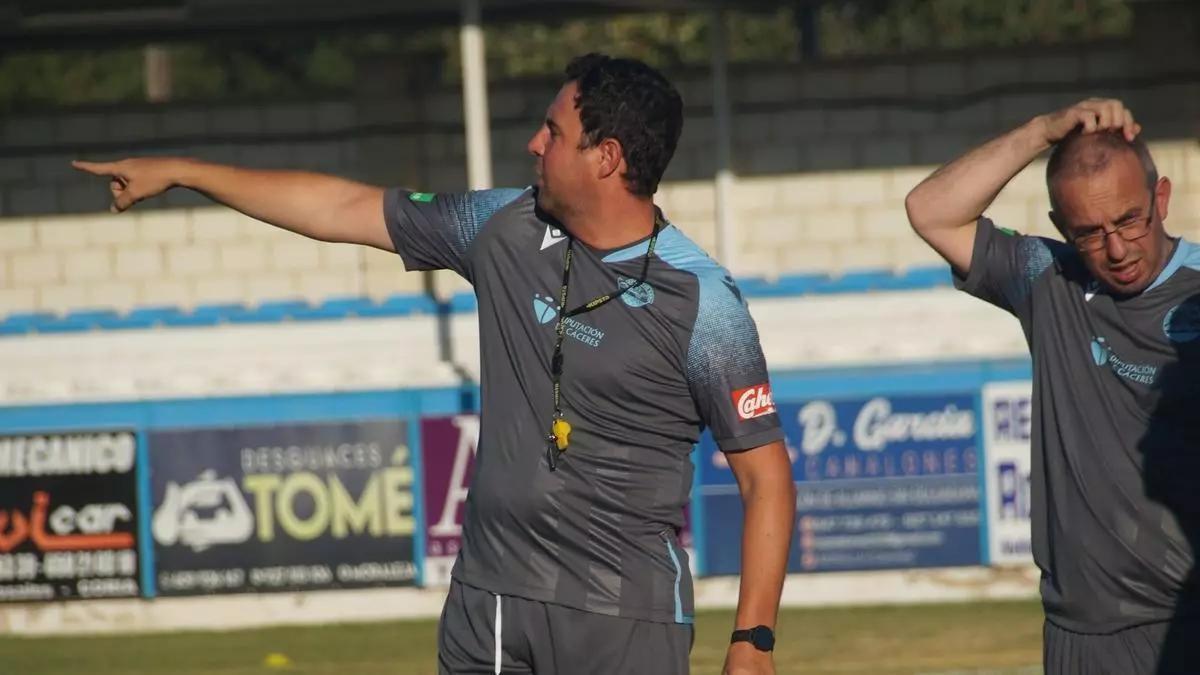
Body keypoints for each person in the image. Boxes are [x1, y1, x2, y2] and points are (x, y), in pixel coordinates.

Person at [75, 53, 796, 675]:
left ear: (606, 157)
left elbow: (765, 477)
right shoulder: (503, 225)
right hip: (488, 600)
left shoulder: (704, 303)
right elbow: (343, 206)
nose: (533, 143)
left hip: (622, 619)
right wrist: (180, 171)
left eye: (554, 131)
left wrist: (752, 639)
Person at [906, 98, 1200, 673]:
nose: (1116, 249)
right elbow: (931, 210)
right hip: (1078, 634)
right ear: (1062, 229)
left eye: (1129, 220)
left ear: (1160, 200)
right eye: (1089, 233)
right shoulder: (1050, 277)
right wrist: (1043, 131)